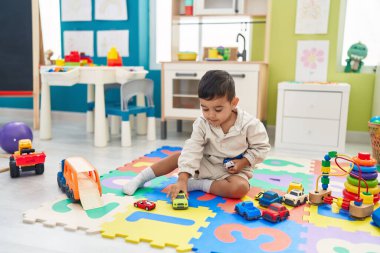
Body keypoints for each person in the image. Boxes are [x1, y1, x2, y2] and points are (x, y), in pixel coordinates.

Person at [123, 70, 270, 199]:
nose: (211, 115)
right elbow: (193, 148)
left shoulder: (250, 124)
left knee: (240, 189)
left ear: (233, 103)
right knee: (179, 156)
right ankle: (140, 178)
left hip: (233, 172)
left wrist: (243, 162)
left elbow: (262, 148)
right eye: (205, 109)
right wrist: (182, 179)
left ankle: (200, 185)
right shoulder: (202, 123)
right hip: (205, 163)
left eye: (218, 109)